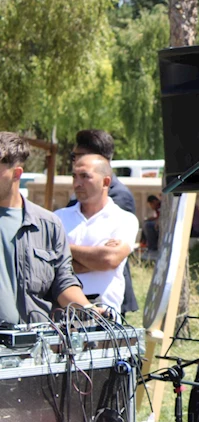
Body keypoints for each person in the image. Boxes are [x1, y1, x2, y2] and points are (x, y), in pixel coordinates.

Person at [0, 132, 100, 324]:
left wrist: (89, 310)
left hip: (36, 338)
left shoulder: (48, 225)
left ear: (16, 174)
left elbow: (63, 282)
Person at [66, 129, 139, 313]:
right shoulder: (67, 209)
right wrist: (93, 256)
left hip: (106, 306)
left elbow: (108, 259)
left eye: (77, 156)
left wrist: (64, 248)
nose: (75, 161)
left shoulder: (120, 199)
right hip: (69, 308)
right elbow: (53, 267)